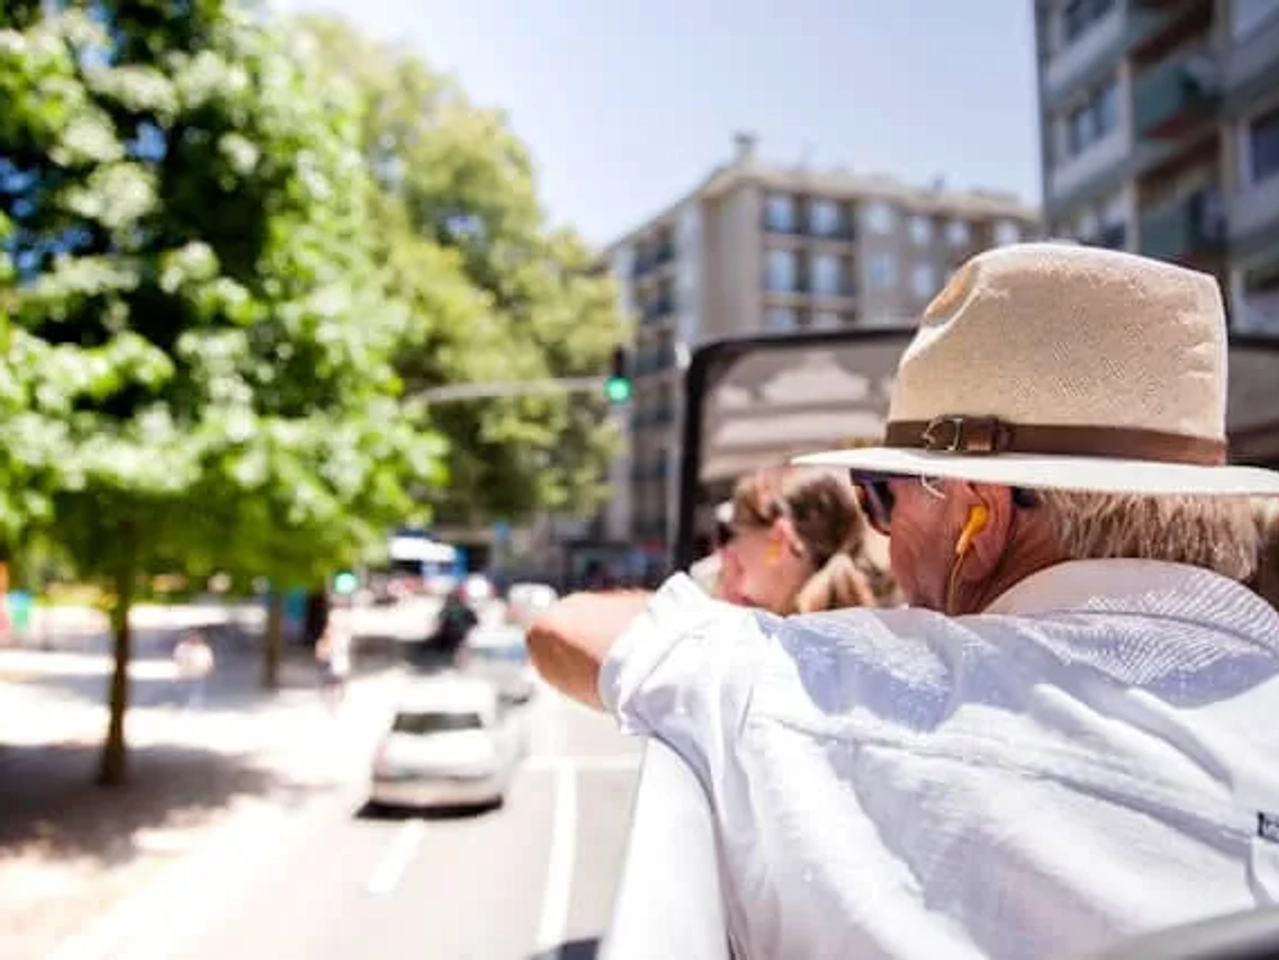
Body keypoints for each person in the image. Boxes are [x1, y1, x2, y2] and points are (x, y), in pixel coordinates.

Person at [527, 243, 1279, 960]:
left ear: (977, 518)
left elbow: (564, 632)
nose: (877, 534)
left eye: (880, 497)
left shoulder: (845, 698)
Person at [713, 464, 892, 613]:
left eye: (738, 537)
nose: (731, 553)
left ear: (779, 537)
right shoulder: (879, 621)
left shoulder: (772, 646)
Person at [173, 630, 214, 709]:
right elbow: (177, 660)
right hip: (185, 674)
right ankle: (184, 706)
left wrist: (208, 669)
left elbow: (209, 661)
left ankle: (196, 708)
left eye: (198, 637)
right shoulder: (182, 647)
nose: (195, 639)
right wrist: (178, 673)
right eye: (193, 637)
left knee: (197, 693)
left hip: (198, 674)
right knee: (185, 692)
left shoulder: (204, 648)